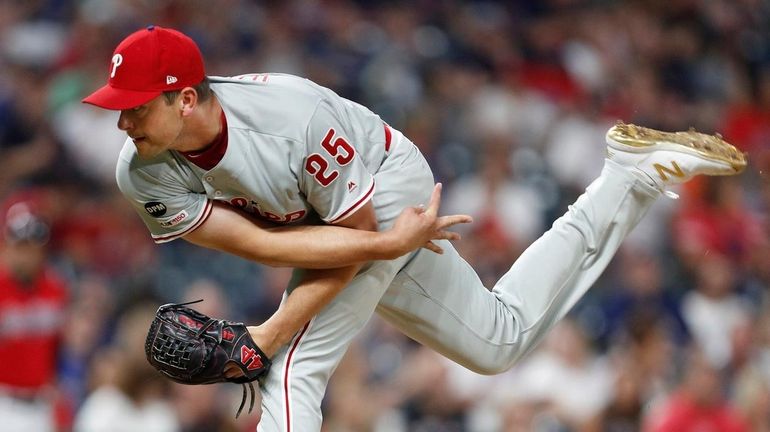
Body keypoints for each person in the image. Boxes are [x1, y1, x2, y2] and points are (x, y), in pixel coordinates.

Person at [82, 26, 746, 431]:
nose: (122, 121)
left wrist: (271, 332)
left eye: (135, 107)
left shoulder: (291, 116)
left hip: (384, 184)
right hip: (337, 226)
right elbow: (261, 245)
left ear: (187, 98)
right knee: (497, 341)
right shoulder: (139, 172)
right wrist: (383, 252)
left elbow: (356, 231)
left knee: (288, 367)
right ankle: (627, 178)